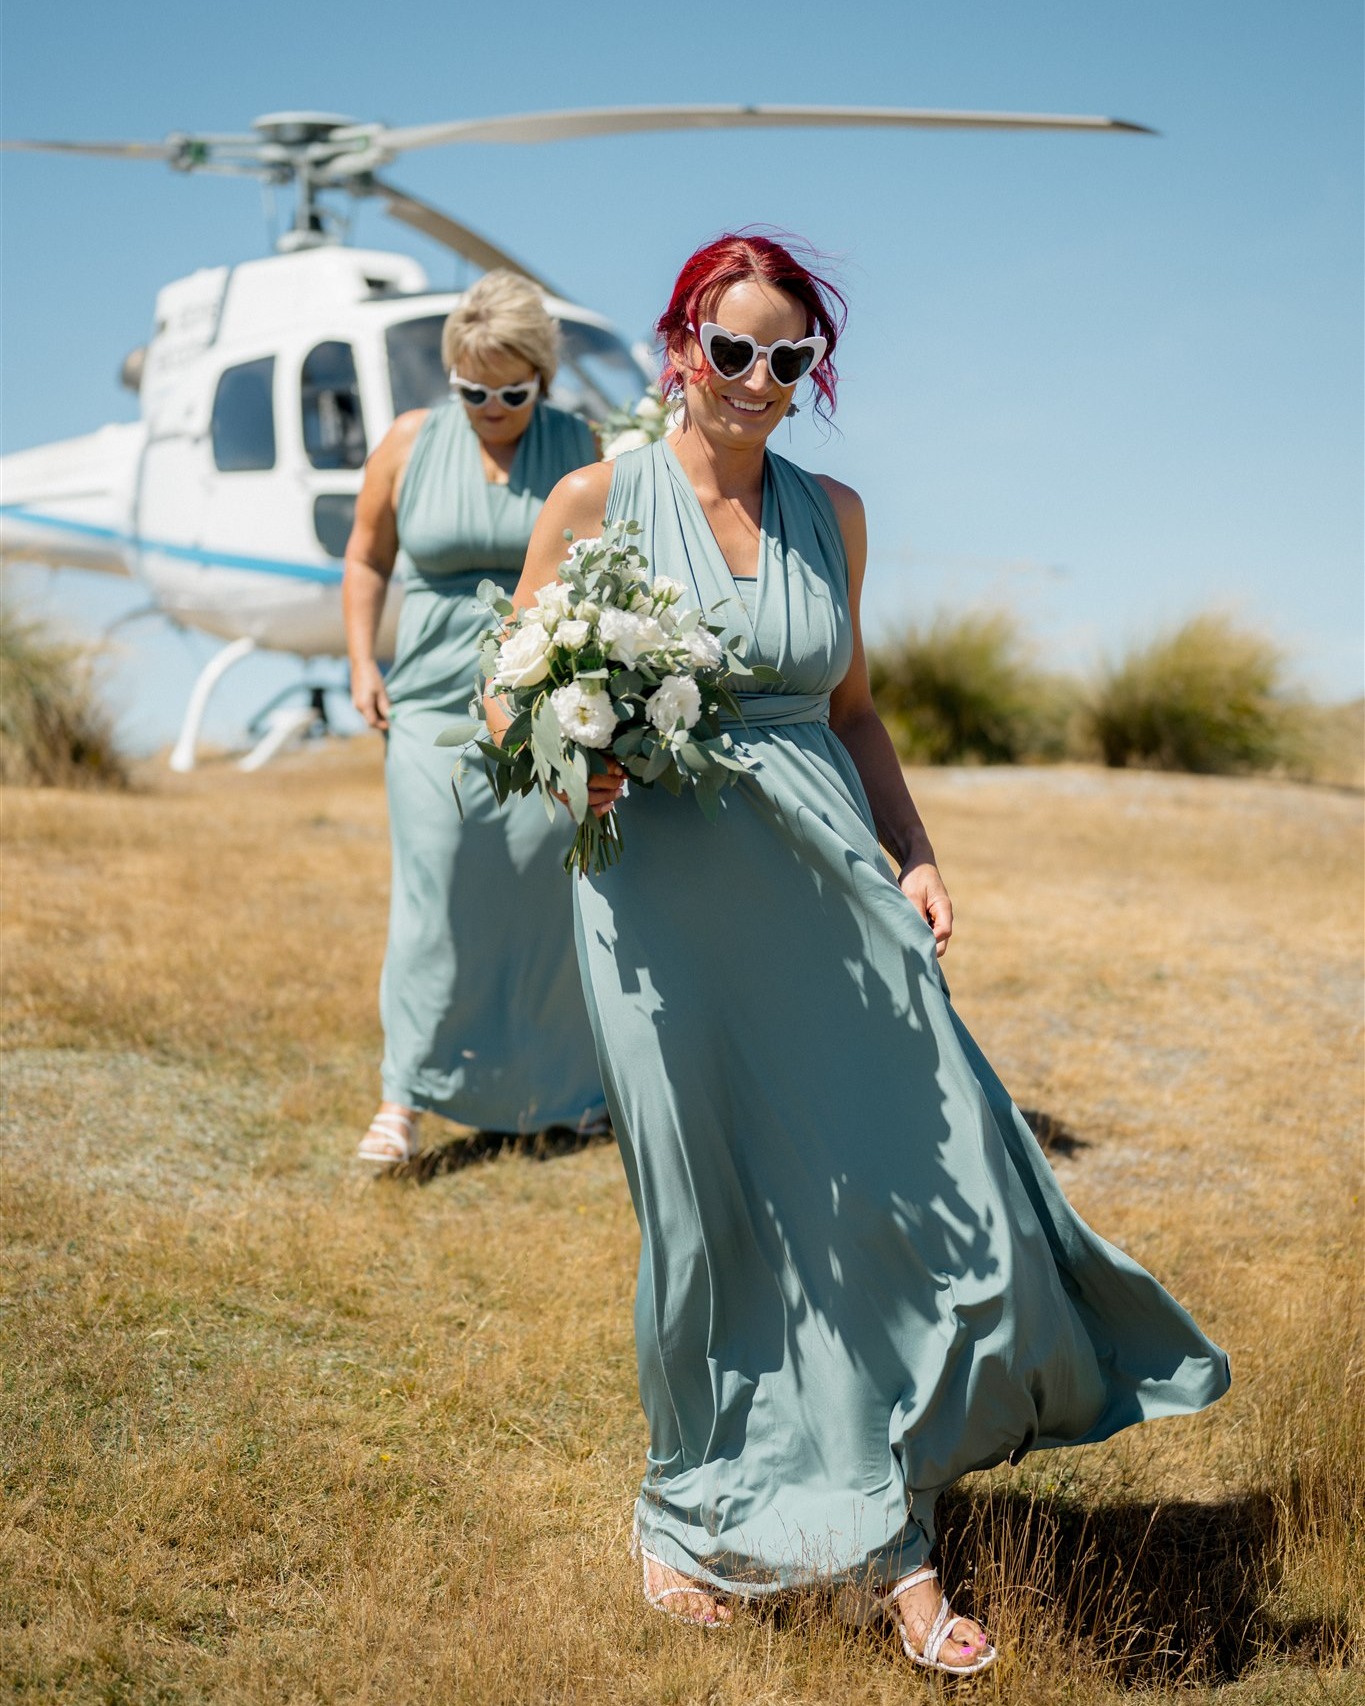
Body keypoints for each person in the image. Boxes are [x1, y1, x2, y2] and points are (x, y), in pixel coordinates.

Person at [495, 233, 1230, 1676]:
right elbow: (513, 699)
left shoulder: (836, 512)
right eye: (733, 350)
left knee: (937, 1172)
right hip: (662, 913)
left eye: (790, 358)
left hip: (832, 889)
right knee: (718, 1217)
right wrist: (568, 768)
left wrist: (917, 849)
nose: (759, 381)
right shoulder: (594, 498)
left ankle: (888, 1493)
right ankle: (709, 1517)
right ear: (678, 345)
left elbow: (856, 712)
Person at [344, 270, 606, 1164]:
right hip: (426, 701)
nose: (491, 407)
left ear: (541, 376)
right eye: (471, 390)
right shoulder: (410, 444)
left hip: (543, 699)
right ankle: (405, 1097)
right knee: (438, 887)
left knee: (543, 892)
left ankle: (562, 1093)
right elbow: (365, 557)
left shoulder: (579, 444)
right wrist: (359, 661)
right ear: (449, 376)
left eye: (511, 391)